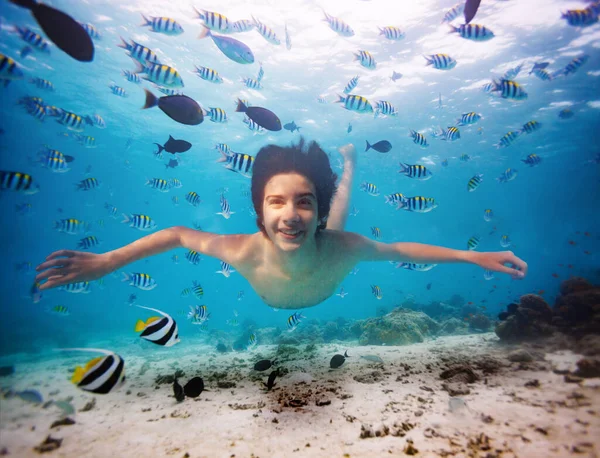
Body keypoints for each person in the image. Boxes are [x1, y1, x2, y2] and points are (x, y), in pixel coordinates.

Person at [35, 139, 528, 309]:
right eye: (277, 203)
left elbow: (399, 249)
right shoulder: (243, 249)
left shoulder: (342, 245)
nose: (290, 215)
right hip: (294, 281)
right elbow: (178, 234)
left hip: (326, 259)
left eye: (303, 202)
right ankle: (337, 177)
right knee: (333, 221)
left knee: (340, 217)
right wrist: (107, 261)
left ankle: (347, 169)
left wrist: (471, 255)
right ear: (260, 212)